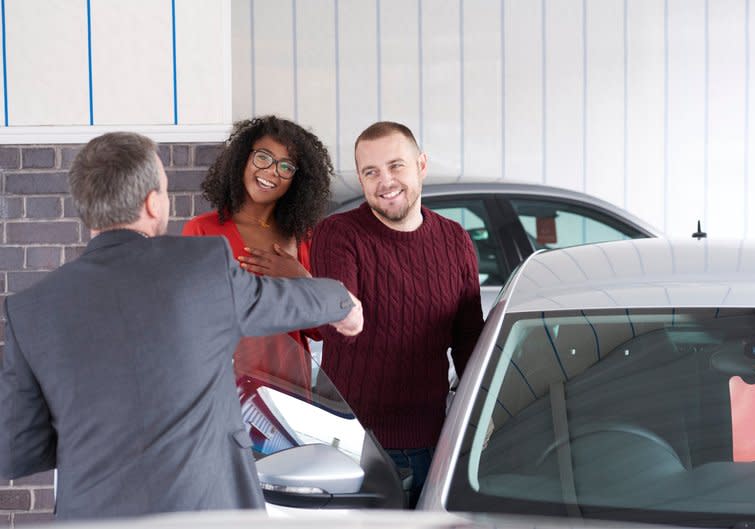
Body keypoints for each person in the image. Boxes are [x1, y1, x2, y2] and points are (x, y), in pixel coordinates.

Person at [0, 131, 363, 520]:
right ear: (152, 203)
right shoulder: (202, 267)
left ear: (85, 208)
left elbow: (16, 449)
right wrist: (344, 304)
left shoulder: (31, 310)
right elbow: (282, 301)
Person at [310, 121, 484, 508]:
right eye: (370, 172)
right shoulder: (338, 234)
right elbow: (335, 316)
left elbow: (470, 340)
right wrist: (342, 309)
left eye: (396, 166)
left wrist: (482, 416)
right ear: (360, 178)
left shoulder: (455, 240)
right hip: (353, 444)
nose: (385, 181)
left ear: (421, 165)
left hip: (431, 442)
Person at [182, 116, 331, 390]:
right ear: (242, 159)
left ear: (297, 180)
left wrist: (301, 278)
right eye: (263, 157)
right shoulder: (202, 230)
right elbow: (191, 323)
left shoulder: (303, 239)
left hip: (291, 392)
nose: (272, 171)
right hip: (227, 389)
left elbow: (320, 330)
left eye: (286, 166)